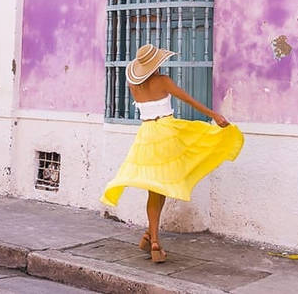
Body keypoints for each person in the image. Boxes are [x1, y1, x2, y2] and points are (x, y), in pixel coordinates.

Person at [101, 44, 243, 263]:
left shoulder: (132, 84)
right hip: (166, 133)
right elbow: (189, 100)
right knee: (162, 188)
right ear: (156, 64)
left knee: (154, 189)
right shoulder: (164, 81)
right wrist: (214, 114)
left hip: (146, 135)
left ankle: (151, 236)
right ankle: (155, 241)